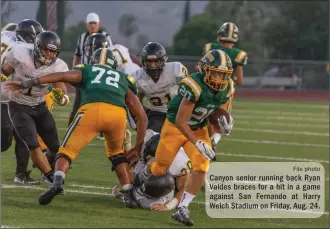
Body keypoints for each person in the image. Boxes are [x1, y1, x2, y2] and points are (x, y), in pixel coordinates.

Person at [7, 47, 148, 206]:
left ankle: (57, 183)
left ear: (93, 62)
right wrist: (138, 146)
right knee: (117, 153)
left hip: (91, 111)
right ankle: (129, 190)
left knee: (67, 151)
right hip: (117, 115)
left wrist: (30, 82)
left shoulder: (87, 70)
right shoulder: (123, 78)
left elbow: (61, 76)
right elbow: (142, 116)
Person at [136, 49, 235, 226]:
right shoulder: (193, 85)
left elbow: (221, 115)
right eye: (215, 73)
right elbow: (181, 121)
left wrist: (221, 129)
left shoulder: (228, 88)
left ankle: (183, 208)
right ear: (205, 70)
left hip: (199, 127)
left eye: (223, 75)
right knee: (159, 169)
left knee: (202, 166)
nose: (219, 79)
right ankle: (141, 175)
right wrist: (197, 142)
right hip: (175, 127)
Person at [2, 31, 69, 184]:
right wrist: (3, 76)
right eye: (46, 49)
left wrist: (63, 99)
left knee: (54, 145)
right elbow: (4, 70)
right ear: (37, 47)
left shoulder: (58, 65)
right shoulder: (20, 54)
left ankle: (46, 164)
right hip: (18, 105)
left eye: (53, 51)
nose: (49, 54)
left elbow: (62, 88)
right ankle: (50, 176)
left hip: (39, 105)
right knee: (32, 143)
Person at [1, 19, 44, 185]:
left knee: (24, 135)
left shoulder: (5, 37)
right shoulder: (23, 48)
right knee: (4, 141)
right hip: (5, 96)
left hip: (13, 96)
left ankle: (21, 174)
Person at [115, 130, 191, 211]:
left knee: (162, 181)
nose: (151, 160)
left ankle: (137, 194)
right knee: (140, 174)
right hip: (148, 170)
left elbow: (185, 188)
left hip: (167, 182)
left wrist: (169, 206)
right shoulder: (148, 139)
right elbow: (134, 158)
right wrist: (127, 143)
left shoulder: (180, 161)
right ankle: (132, 192)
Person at [203, 22, 246, 158]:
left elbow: (200, 67)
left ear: (219, 35)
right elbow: (240, 80)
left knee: (203, 116)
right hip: (225, 90)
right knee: (221, 119)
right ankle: (213, 141)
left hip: (206, 87)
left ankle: (203, 141)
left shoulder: (210, 48)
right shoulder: (238, 54)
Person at [130, 42, 188, 135]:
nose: (152, 65)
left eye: (155, 61)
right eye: (149, 62)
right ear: (144, 61)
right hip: (157, 114)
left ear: (162, 60)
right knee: (150, 141)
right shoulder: (137, 76)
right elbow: (134, 100)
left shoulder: (175, 69)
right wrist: (142, 114)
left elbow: (190, 90)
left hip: (178, 113)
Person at [70, 13, 113, 133]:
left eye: (95, 23)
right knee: (78, 102)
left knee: (102, 102)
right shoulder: (82, 37)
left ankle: (103, 130)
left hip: (101, 74)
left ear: (98, 24)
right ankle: (72, 127)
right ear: (87, 25)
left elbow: (112, 56)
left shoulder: (105, 36)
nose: (93, 26)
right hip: (86, 73)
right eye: (91, 23)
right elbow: (77, 55)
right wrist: (75, 70)